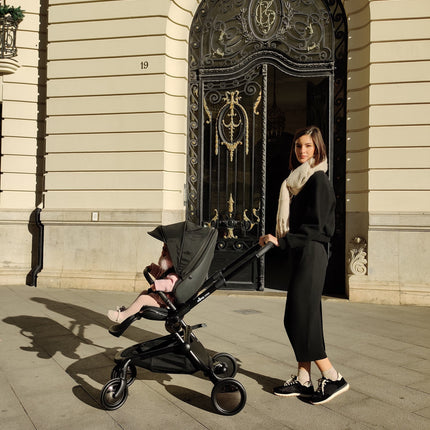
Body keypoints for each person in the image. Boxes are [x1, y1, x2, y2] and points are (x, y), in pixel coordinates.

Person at [259, 125, 349, 405]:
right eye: (298, 145)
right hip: (302, 254)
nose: (302, 150)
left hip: (312, 253)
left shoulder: (318, 181)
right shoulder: (298, 182)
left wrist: (282, 241)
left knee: (299, 317)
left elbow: (320, 228)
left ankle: (333, 376)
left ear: (318, 149)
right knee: (302, 316)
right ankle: (303, 379)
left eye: (308, 146)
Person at [107, 244, 179, 323]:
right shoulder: (168, 269)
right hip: (160, 299)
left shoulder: (174, 273)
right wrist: (153, 268)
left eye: (166, 250)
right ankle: (128, 311)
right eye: (163, 249)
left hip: (165, 304)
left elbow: (170, 284)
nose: (163, 252)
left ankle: (122, 317)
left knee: (143, 299)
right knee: (144, 293)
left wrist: (157, 285)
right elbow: (161, 275)